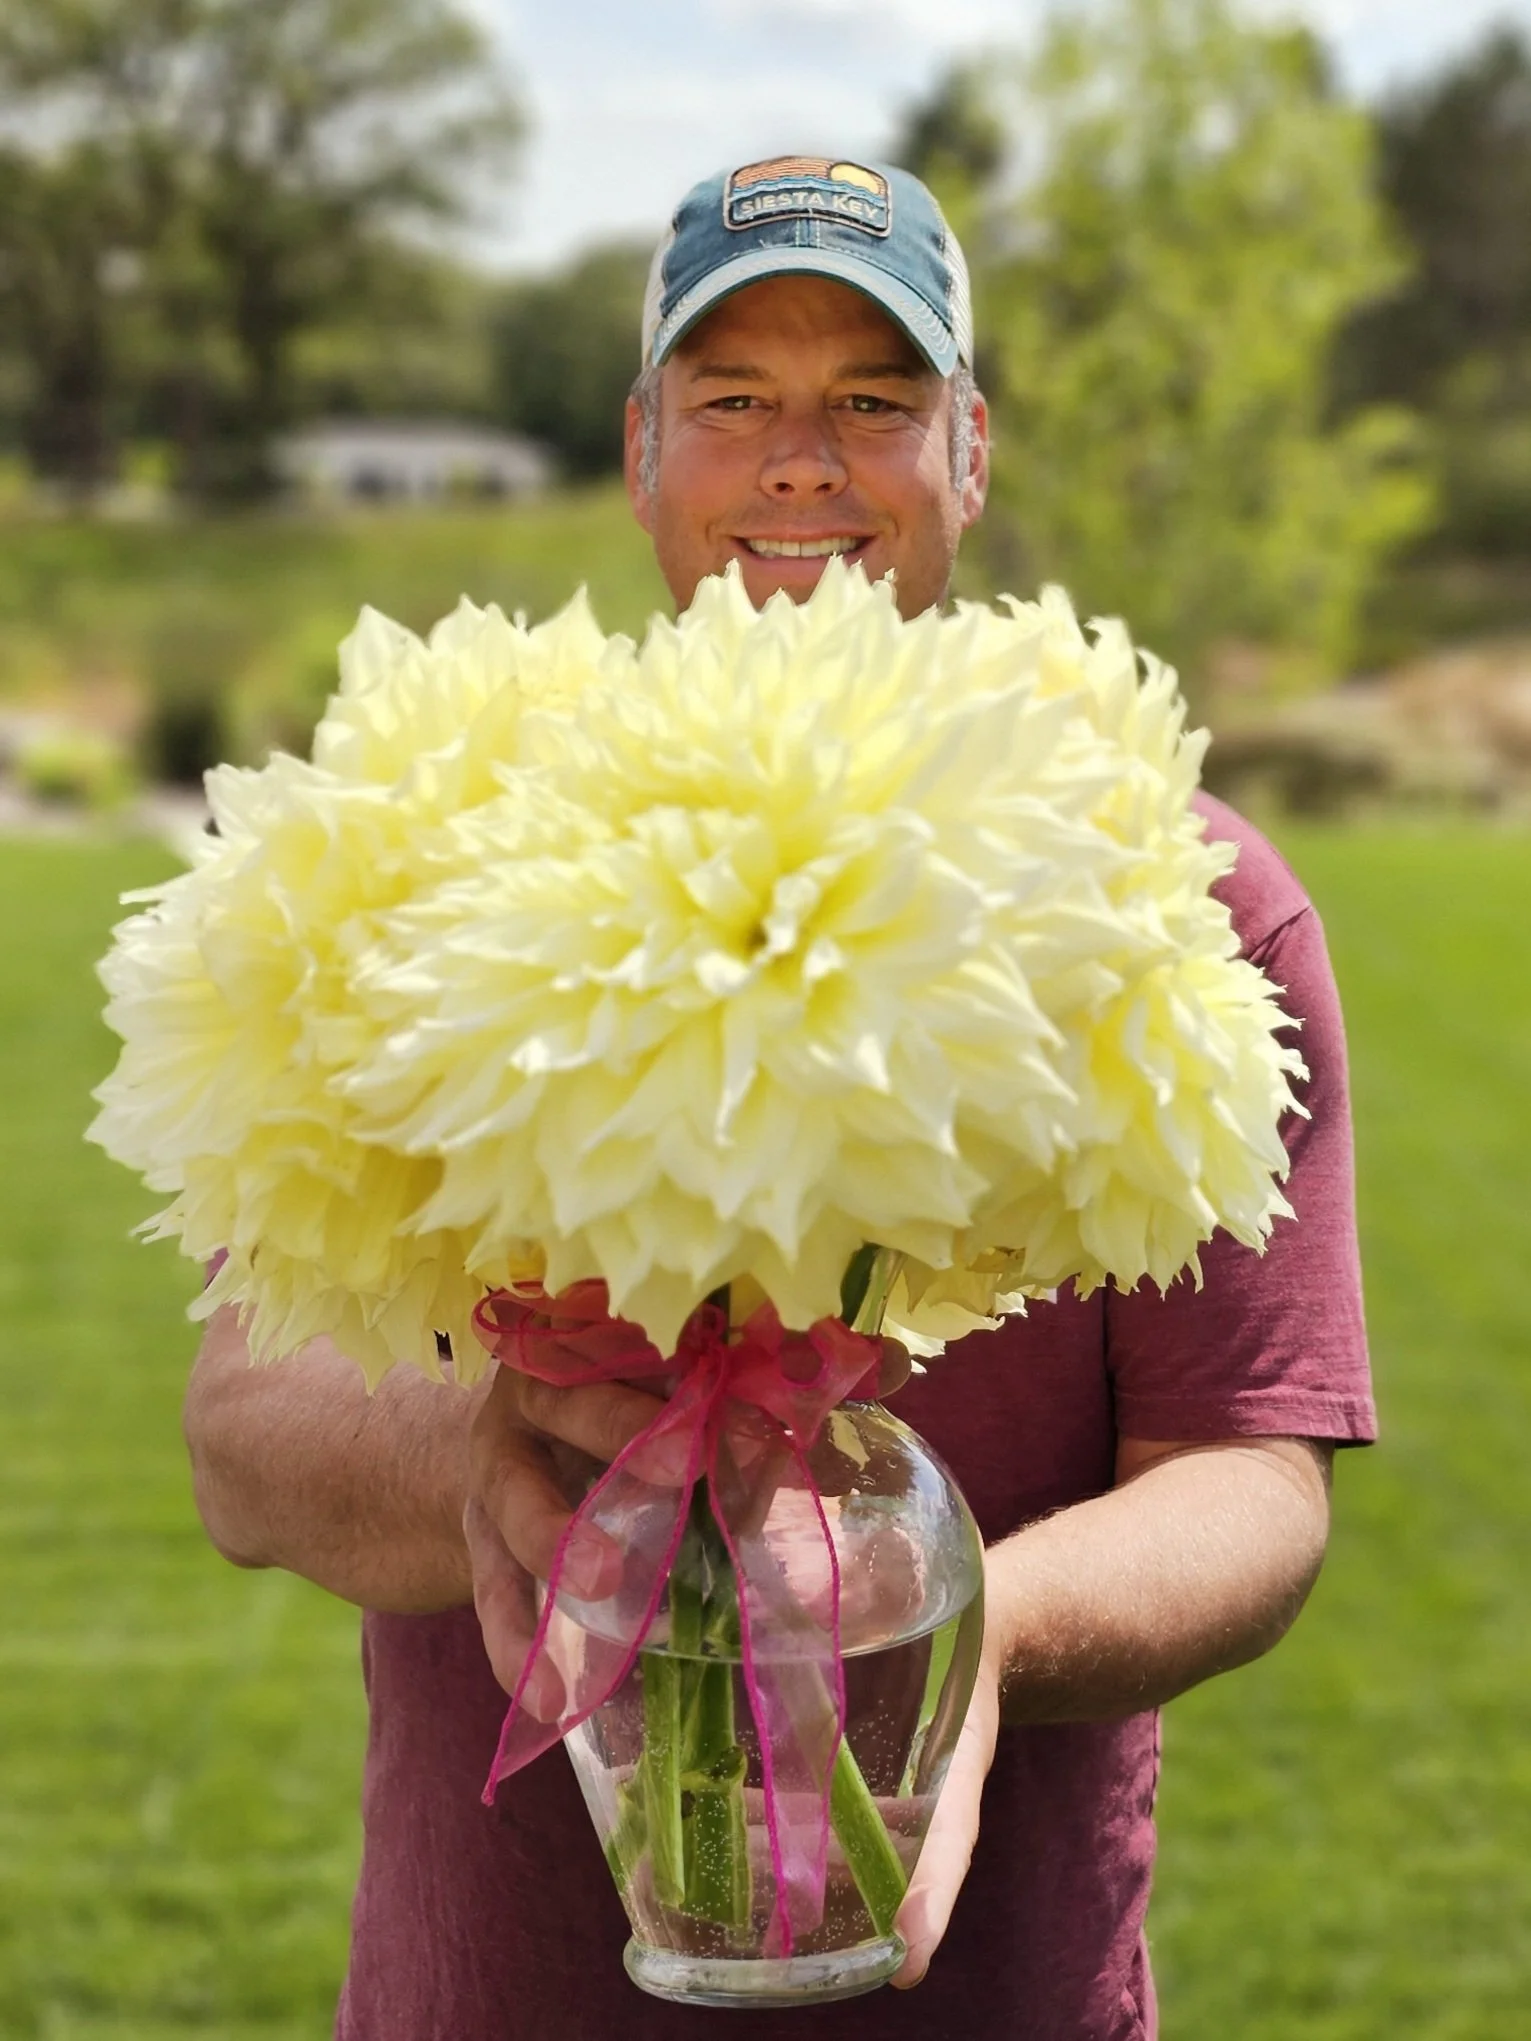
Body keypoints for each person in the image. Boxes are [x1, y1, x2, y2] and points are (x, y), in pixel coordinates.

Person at [184, 156, 1376, 2040]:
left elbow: (1247, 1477)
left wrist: (963, 1632)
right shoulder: (432, 848)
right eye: (732, 398)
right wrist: (482, 1460)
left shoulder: (1176, 889)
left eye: (873, 401)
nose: (801, 463)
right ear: (640, 449)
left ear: (968, 451)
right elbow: (242, 1430)